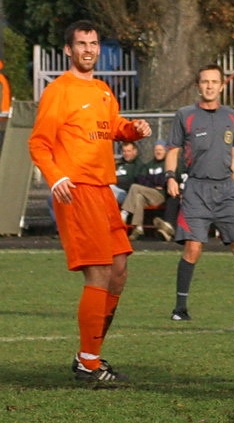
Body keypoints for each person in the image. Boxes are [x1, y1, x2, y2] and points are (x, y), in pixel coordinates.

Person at [28, 19, 152, 386]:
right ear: (69, 50)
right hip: (77, 189)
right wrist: (57, 178)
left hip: (103, 190)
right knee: (98, 272)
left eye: (94, 43)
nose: (88, 49)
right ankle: (89, 363)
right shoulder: (58, 91)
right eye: (81, 43)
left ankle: (90, 355)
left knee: (118, 271)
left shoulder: (101, 89)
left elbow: (111, 126)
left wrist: (133, 130)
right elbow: (38, 143)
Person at [164, 64, 234, 321]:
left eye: (214, 82)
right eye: (204, 81)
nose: (209, 86)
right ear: (198, 86)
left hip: (227, 192)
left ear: (222, 86)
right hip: (197, 189)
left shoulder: (231, 116)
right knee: (193, 248)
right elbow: (173, 149)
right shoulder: (184, 114)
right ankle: (180, 309)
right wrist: (170, 177)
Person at [121, 140, 167, 240]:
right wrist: (154, 182)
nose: (158, 152)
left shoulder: (167, 163)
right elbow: (142, 180)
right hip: (148, 194)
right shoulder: (149, 164)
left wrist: (153, 181)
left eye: (161, 150)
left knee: (134, 187)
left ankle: (124, 213)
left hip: (160, 195)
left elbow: (164, 180)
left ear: (165, 151)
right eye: (156, 150)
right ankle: (138, 227)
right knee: (138, 197)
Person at [111, 141, 140, 205]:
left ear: (134, 151)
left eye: (128, 151)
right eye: (124, 151)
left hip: (127, 194)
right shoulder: (119, 163)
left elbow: (133, 182)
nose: (126, 153)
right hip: (115, 190)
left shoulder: (138, 165)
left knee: (108, 188)